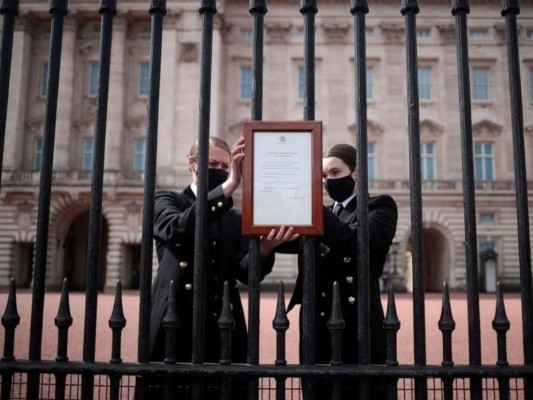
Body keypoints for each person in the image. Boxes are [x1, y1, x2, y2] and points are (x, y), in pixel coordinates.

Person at [146, 136, 297, 397]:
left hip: (222, 320)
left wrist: (265, 249)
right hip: (174, 317)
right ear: (192, 163)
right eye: (212, 163)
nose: (219, 170)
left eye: (226, 166)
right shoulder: (165, 200)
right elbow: (176, 229)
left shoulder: (234, 218)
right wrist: (230, 185)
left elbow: (246, 273)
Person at [276, 143, 398, 399]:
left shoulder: (380, 206)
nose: (327, 181)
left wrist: (311, 205)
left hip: (357, 321)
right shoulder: (324, 213)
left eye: (334, 173)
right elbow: (284, 238)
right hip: (317, 323)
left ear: (355, 174)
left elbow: (354, 241)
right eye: (323, 176)